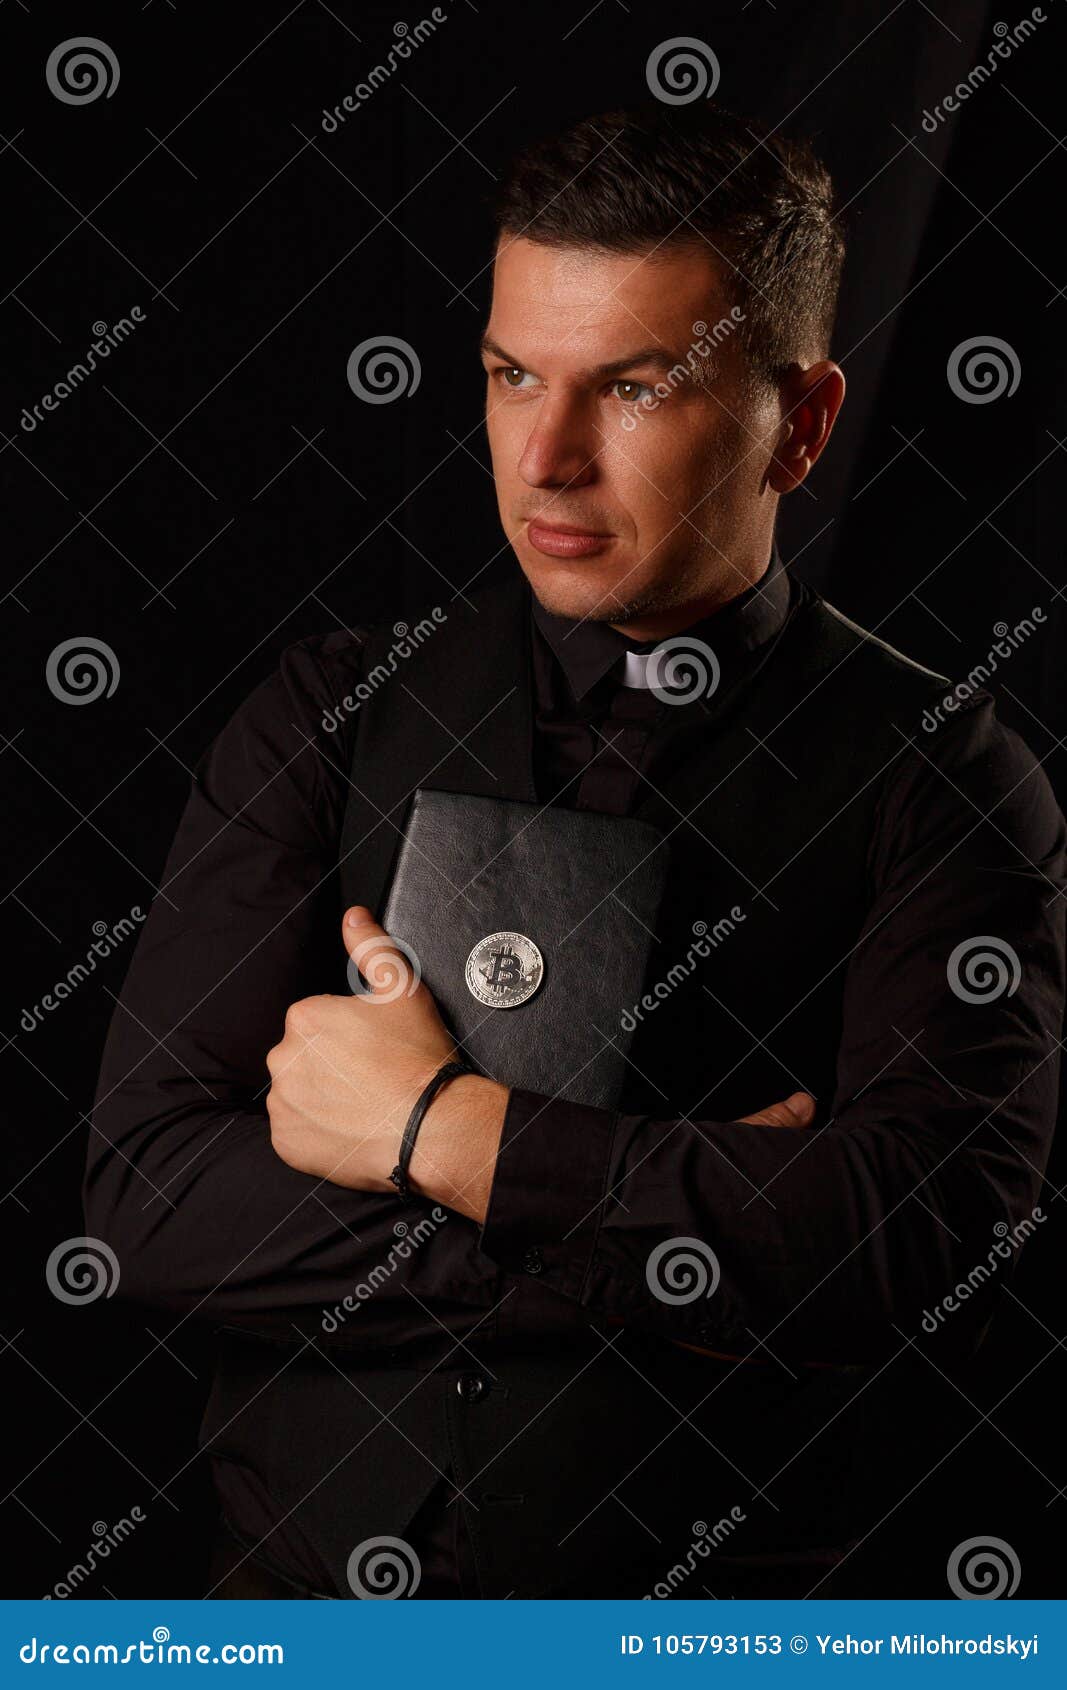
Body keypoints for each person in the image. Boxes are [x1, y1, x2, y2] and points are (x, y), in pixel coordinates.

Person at [86, 102, 1065, 1600]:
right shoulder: (327, 712)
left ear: (797, 423)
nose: (545, 457)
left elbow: (923, 1243)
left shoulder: (951, 777)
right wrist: (679, 1242)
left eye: (635, 388)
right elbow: (151, 1197)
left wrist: (435, 1137)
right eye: (509, 376)